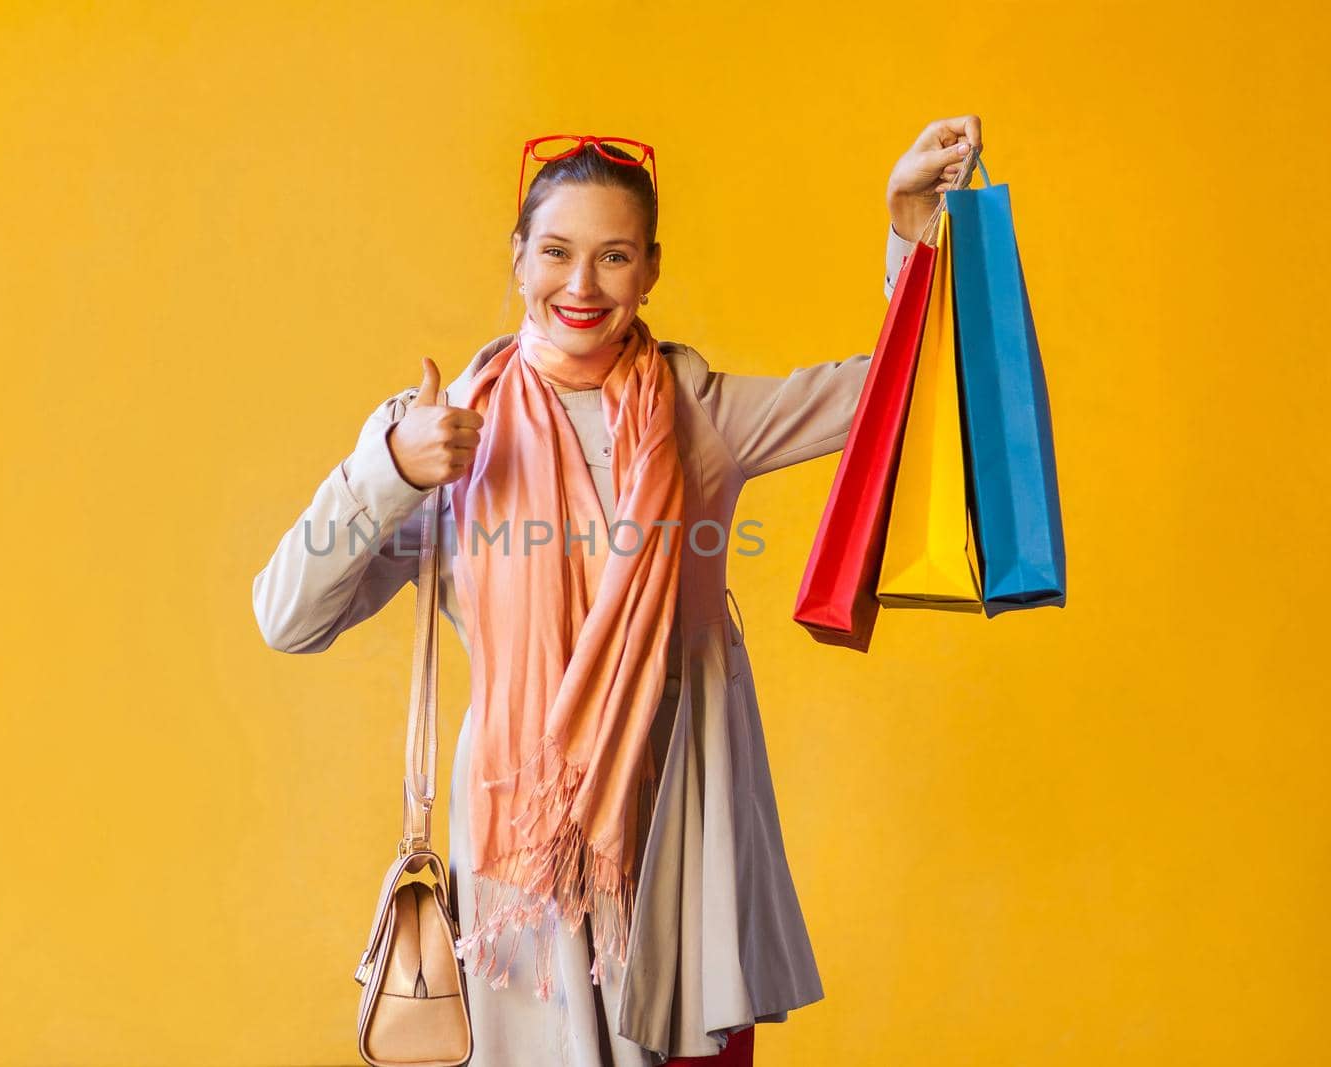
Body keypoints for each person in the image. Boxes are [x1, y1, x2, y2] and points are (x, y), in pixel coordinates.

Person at [254, 118, 983, 1067]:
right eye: (556, 252)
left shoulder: (700, 413)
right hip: (520, 856)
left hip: (675, 824)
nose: (582, 285)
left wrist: (909, 233)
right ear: (518, 258)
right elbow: (288, 615)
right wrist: (390, 465)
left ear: (650, 270)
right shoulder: (444, 432)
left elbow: (898, 390)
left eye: (614, 256)